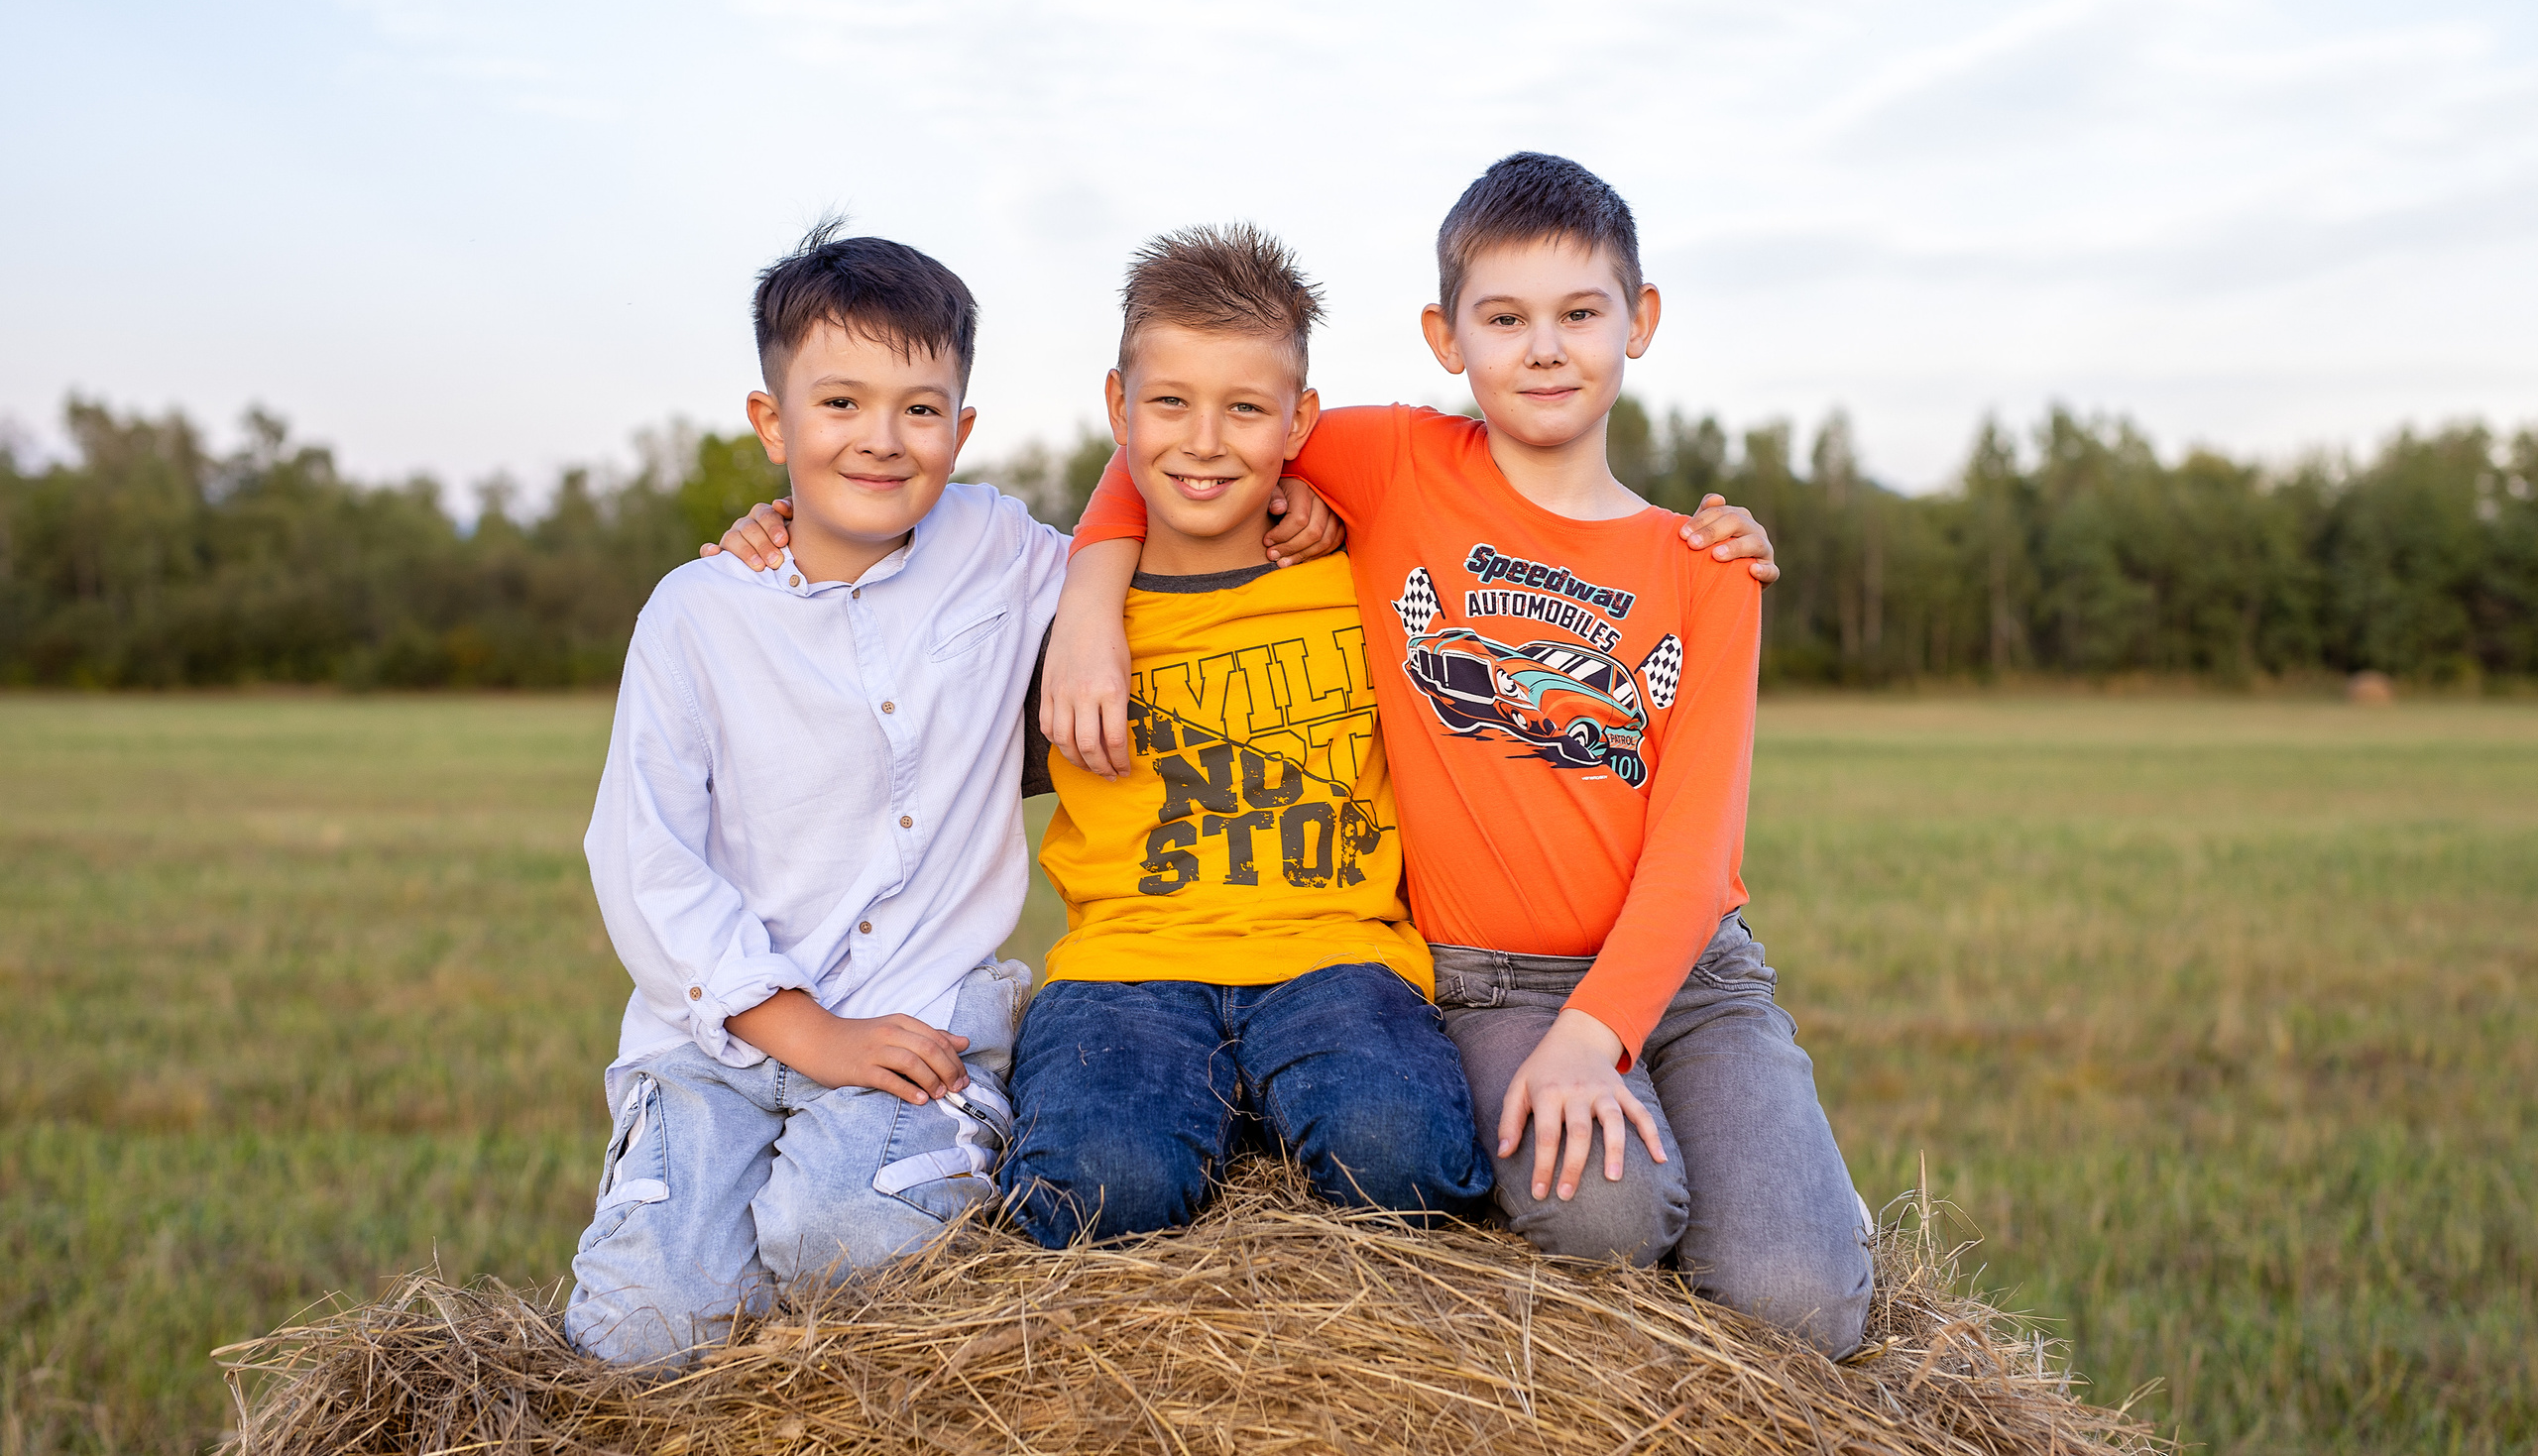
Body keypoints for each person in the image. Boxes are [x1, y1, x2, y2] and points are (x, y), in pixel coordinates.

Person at [1044, 153, 1874, 1356]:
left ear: (1638, 322)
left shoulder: (1706, 565)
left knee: (1798, 1303)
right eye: (1504, 319)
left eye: (1578, 314)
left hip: (1691, 976)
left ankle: (1803, 1202)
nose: (1543, 350)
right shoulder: (1394, 461)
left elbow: (1697, 858)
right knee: (1604, 1217)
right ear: (1446, 338)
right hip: (1493, 983)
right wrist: (1088, 596)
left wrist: (1596, 1036)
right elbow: (1181, 430)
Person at [567, 224, 1340, 1369]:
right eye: (839, 404)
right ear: (772, 423)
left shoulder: (995, 546)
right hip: (713, 1037)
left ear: (962, 429)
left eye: (919, 409)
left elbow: (1162, 494)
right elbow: (646, 863)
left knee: (849, 1246)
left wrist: (1304, 505)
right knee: (642, 1334)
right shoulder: (697, 612)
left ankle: (945, 1143)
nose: (881, 439)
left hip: (922, 1016)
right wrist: (809, 1036)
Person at [995, 224, 1497, 1243]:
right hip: (1127, 964)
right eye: (1170, 403)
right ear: (1118, 408)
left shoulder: (1364, 573)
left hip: (1337, 953)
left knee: (1403, 1157)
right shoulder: (1057, 611)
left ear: (1298, 420)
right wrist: (763, 552)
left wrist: (1696, 547)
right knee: (1101, 1188)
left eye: (1245, 409)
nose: (1205, 441)